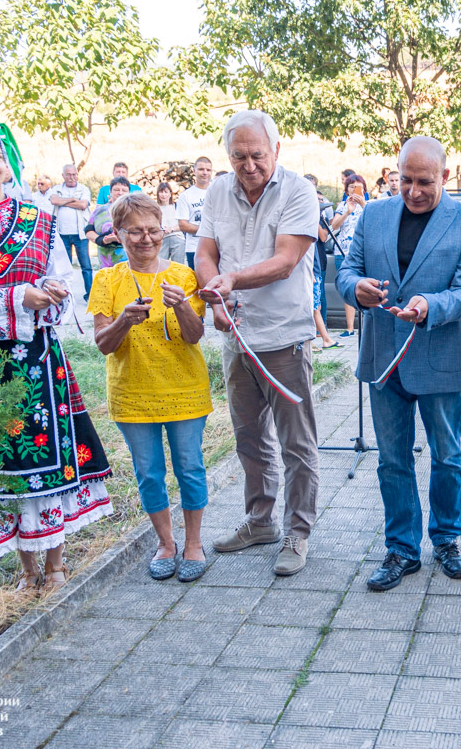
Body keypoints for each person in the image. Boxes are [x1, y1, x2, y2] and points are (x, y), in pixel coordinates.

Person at [0, 122, 113, 592]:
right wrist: (16, 298)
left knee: (47, 451)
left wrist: (53, 292)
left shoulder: (40, 219)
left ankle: (54, 565)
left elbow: (65, 281)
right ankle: (27, 568)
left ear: (8, 163)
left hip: (37, 361)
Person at [337, 136, 461, 591]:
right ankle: (402, 549)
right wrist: (355, 288)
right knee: (392, 460)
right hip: (383, 358)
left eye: (425, 182)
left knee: (448, 455)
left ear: (445, 176)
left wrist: (430, 305)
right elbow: (347, 270)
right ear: (393, 174)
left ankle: (446, 540)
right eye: (405, 180)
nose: (414, 191)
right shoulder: (373, 215)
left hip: (440, 358)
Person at [195, 111, 321, 577]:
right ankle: (260, 521)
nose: (248, 165)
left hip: (284, 337)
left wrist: (230, 281)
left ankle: (297, 531)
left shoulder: (299, 191)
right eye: (238, 156)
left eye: (257, 155)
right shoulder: (216, 191)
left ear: (276, 150)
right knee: (249, 438)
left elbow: (286, 260)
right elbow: (205, 252)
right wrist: (214, 295)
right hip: (236, 336)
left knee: (296, 444)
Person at [89, 193, 212, 582]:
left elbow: (194, 336)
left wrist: (182, 306)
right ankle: (165, 543)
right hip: (132, 393)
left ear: (163, 230)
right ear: (118, 234)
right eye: (135, 231)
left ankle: (194, 544)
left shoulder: (183, 276)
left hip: (184, 391)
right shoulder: (107, 279)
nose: (146, 239)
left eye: (153, 230)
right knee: (149, 473)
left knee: (190, 468)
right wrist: (124, 320)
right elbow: (103, 344)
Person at [303, 173, 339, 349]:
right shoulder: (303, 220)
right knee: (311, 307)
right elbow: (303, 249)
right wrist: (309, 271)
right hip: (311, 270)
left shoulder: (315, 220)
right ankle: (315, 340)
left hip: (317, 267)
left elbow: (324, 237)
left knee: (315, 307)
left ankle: (320, 339)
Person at [330, 174, 368, 337]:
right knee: (348, 288)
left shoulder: (370, 206)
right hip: (342, 252)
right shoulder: (342, 206)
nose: (354, 189)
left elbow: (375, 223)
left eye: (358, 186)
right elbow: (334, 226)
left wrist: (363, 204)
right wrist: (347, 211)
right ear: (346, 190)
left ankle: (366, 327)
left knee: (366, 288)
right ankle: (350, 328)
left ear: (364, 189)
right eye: (352, 186)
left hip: (363, 253)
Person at [48, 163, 93, 299]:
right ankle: (66, 295)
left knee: (86, 266)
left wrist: (63, 201)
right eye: (68, 175)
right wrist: (73, 199)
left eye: (74, 174)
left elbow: (83, 204)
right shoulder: (56, 189)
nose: (72, 177)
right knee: (64, 268)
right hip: (62, 234)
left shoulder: (83, 189)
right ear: (63, 176)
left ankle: (90, 295)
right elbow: (54, 201)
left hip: (80, 234)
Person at [85, 177, 130, 269]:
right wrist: (102, 240)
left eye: (124, 190)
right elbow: (88, 230)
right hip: (105, 261)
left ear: (129, 192)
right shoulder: (100, 210)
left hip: (129, 261)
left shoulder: (135, 211)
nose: (120, 193)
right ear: (110, 192)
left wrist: (120, 239)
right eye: (116, 190)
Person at [177, 157, 213, 270]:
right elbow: (183, 225)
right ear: (194, 171)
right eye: (201, 169)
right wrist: (209, 230)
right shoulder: (185, 196)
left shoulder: (218, 192)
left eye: (208, 170)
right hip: (194, 248)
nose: (205, 173)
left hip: (216, 247)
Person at [155, 182, 186, 263]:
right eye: (161, 192)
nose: (163, 195)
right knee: (160, 264)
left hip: (177, 238)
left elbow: (183, 224)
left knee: (178, 266)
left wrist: (171, 229)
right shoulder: (155, 208)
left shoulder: (177, 206)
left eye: (166, 192)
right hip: (162, 239)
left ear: (170, 194)